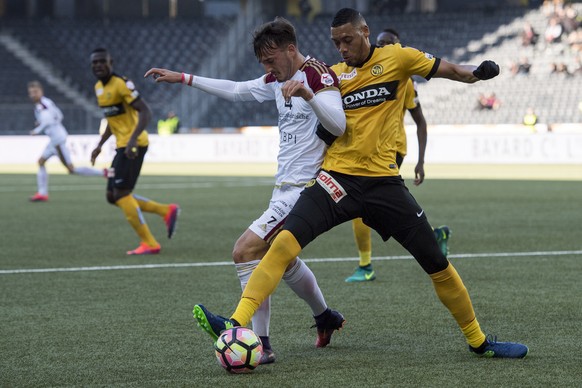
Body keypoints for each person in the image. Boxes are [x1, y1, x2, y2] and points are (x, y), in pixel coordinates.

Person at [192, 8, 529, 359]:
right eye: (336, 42)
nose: (341, 48)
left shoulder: (397, 58)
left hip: (384, 183)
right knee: (280, 246)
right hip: (335, 180)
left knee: (436, 263)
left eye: (347, 40)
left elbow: (454, 70)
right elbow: (323, 122)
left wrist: (478, 74)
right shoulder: (332, 76)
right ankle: (236, 325)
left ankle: (479, 341)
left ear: (365, 31)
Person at [145, 17, 346, 363]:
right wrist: (185, 79)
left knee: (245, 250)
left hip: (306, 189)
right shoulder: (275, 80)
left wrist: (309, 95)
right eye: (263, 64)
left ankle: (259, 343)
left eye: (271, 61)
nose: (268, 69)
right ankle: (324, 316)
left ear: (291, 49)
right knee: (282, 261)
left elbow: (339, 126)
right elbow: (237, 90)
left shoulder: (316, 75)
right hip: (283, 188)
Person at [345, 28, 450, 283]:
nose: (382, 47)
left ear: (398, 46)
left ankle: (365, 265)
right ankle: (434, 235)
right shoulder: (365, 72)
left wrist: (421, 161)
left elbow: (421, 122)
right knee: (378, 211)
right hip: (370, 149)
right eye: (379, 43)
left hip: (392, 149)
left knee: (361, 208)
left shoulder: (404, 78)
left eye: (388, 43)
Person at [89, 48, 180, 255]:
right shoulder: (98, 88)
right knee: (112, 196)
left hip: (134, 145)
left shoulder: (121, 84)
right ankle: (166, 210)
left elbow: (145, 112)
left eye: (102, 61)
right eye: (94, 63)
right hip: (122, 145)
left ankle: (149, 242)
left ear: (111, 63)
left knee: (121, 193)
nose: (98, 65)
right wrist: (100, 145)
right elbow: (113, 121)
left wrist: (131, 141)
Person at [27, 81, 104, 202]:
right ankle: (42, 193)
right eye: (31, 92)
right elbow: (59, 115)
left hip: (57, 140)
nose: (32, 95)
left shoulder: (43, 105)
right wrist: (45, 123)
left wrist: (37, 130)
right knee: (41, 162)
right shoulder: (46, 103)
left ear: (41, 91)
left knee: (71, 169)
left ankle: (103, 173)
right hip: (55, 139)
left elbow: (48, 121)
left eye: (35, 92)